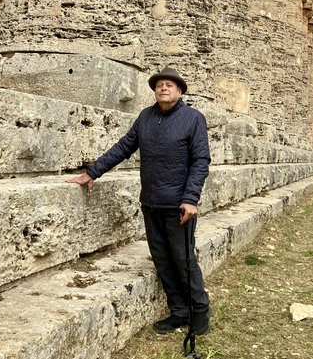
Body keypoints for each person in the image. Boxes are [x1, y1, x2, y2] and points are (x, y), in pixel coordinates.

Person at [66, 66, 211, 335]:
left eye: (170, 85)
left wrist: (191, 199)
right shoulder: (145, 117)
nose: (163, 88)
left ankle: (200, 313)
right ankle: (179, 312)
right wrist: (92, 172)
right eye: (159, 85)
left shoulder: (193, 118)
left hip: (179, 206)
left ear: (179, 91)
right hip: (151, 203)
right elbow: (123, 147)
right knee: (163, 261)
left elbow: (200, 161)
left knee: (184, 260)